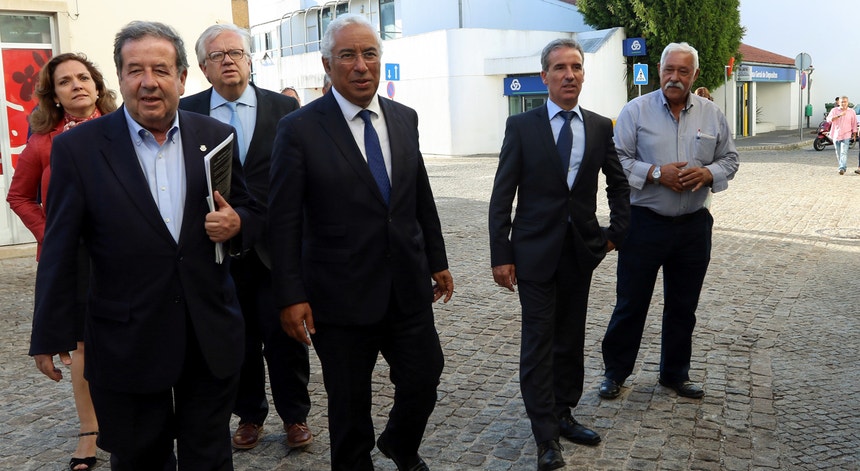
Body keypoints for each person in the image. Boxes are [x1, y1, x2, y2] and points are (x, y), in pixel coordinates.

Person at [28, 21, 262, 469]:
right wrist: (49, 331)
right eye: (135, 70)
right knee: (139, 458)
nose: (149, 81)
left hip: (207, 334)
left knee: (209, 457)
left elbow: (250, 210)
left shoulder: (214, 136)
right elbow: (61, 245)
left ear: (182, 77)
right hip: (126, 339)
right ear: (119, 78)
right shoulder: (79, 149)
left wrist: (238, 222)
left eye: (160, 68)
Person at [267, 13, 453, 471]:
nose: (360, 65)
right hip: (338, 296)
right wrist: (290, 295)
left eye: (369, 53)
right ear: (327, 65)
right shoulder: (299, 129)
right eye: (347, 55)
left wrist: (437, 257)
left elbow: (418, 194)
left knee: (424, 376)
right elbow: (284, 220)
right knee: (349, 406)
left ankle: (400, 443)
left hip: (407, 287)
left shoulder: (404, 118)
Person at [488, 39, 630, 471]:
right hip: (532, 254)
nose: (570, 74)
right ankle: (545, 436)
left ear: (583, 74)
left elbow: (618, 183)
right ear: (545, 76)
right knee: (538, 342)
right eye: (560, 68)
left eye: (577, 67)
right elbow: (502, 196)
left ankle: (564, 413)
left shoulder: (600, 126)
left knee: (570, 338)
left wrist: (616, 232)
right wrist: (501, 253)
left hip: (579, 253)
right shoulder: (522, 127)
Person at [179, 23, 312, 452]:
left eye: (236, 53)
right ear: (202, 67)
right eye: (217, 56)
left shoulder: (287, 110)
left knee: (285, 336)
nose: (228, 61)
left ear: (251, 59)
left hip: (278, 247)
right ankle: (249, 415)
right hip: (218, 251)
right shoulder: (186, 112)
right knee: (237, 339)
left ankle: (296, 417)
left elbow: (303, 180)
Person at [598, 42, 739, 401]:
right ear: (659, 71)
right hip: (645, 222)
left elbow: (730, 159)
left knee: (683, 305)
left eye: (683, 71)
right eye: (668, 70)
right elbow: (616, 160)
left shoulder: (712, 114)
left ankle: (675, 374)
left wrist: (708, 173)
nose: (674, 78)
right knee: (631, 302)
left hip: (693, 226)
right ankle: (615, 373)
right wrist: (656, 173)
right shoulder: (635, 111)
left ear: (694, 75)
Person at [7, 52, 117, 471]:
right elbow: (18, 196)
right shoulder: (42, 142)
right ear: (53, 95)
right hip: (73, 256)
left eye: (83, 77)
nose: (76, 85)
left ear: (97, 83)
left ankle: (136, 419)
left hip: (123, 250)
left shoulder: (124, 129)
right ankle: (89, 431)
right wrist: (51, 233)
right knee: (84, 345)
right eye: (65, 81)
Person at [825, 96, 857, 174]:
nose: (844, 103)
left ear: (848, 102)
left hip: (846, 134)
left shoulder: (851, 111)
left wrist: (854, 133)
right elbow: (829, 120)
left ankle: (842, 168)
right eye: (842, 102)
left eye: (845, 102)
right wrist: (839, 115)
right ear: (839, 103)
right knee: (838, 152)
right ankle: (842, 165)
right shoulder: (834, 110)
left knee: (843, 152)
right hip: (836, 134)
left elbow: (854, 123)